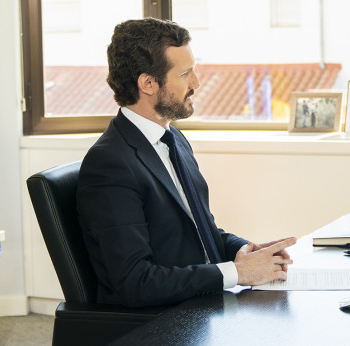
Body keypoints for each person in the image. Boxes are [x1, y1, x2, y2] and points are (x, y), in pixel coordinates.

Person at [77, 18, 296, 308]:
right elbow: (133, 282)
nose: (196, 83)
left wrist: (244, 250)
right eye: (185, 74)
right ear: (148, 83)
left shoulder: (173, 138)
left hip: (198, 302)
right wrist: (238, 273)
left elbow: (198, 230)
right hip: (162, 320)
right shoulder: (110, 164)